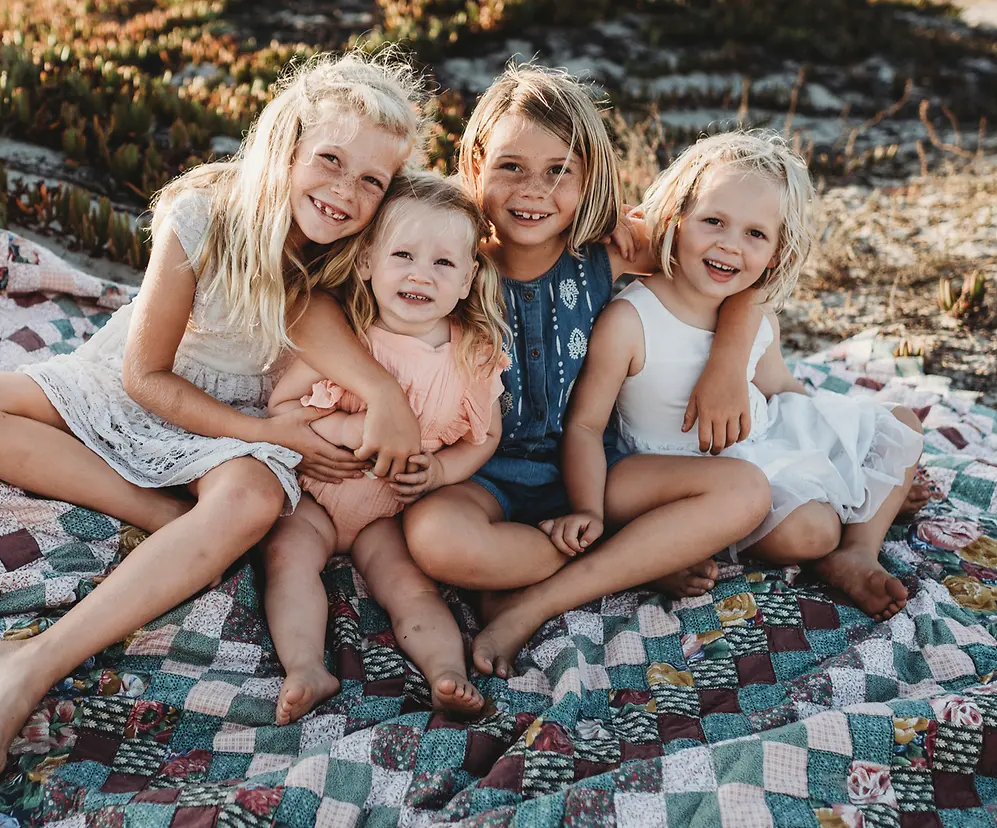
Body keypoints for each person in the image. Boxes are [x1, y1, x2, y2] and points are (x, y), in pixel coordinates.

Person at [0, 51, 430, 781]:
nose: (344, 191)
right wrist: (267, 434)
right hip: (140, 390)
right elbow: (143, 375)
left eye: (371, 181)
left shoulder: (330, 265)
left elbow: (350, 346)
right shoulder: (203, 217)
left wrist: (386, 400)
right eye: (329, 159)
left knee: (256, 496)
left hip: (223, 426)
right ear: (286, 145)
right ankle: (163, 520)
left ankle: (34, 661)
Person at [398, 63, 770, 680]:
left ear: (589, 176)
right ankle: (632, 559)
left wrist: (729, 363)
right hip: (478, 472)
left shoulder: (610, 249)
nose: (533, 191)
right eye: (511, 166)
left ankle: (535, 598)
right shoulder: (448, 253)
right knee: (436, 540)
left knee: (744, 490)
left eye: (558, 172)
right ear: (475, 165)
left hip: (598, 466)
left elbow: (739, 269)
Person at [558, 130, 925, 631]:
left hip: (762, 447)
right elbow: (586, 424)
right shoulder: (631, 320)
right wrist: (589, 509)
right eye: (713, 221)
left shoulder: (755, 317)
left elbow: (784, 393)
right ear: (677, 220)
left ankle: (860, 550)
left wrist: (851, 458)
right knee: (812, 532)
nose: (730, 245)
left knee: (900, 424)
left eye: (755, 234)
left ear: (775, 252)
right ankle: (835, 538)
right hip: (675, 473)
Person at [261, 171, 508, 724]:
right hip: (315, 499)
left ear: (468, 279)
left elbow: (485, 435)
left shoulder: (473, 356)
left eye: (444, 263)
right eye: (404, 255)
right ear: (368, 262)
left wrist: (442, 472)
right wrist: (345, 429)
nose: (422, 274)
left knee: (411, 588)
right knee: (287, 558)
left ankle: (446, 671)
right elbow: (281, 409)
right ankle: (305, 666)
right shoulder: (347, 335)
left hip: (387, 515)